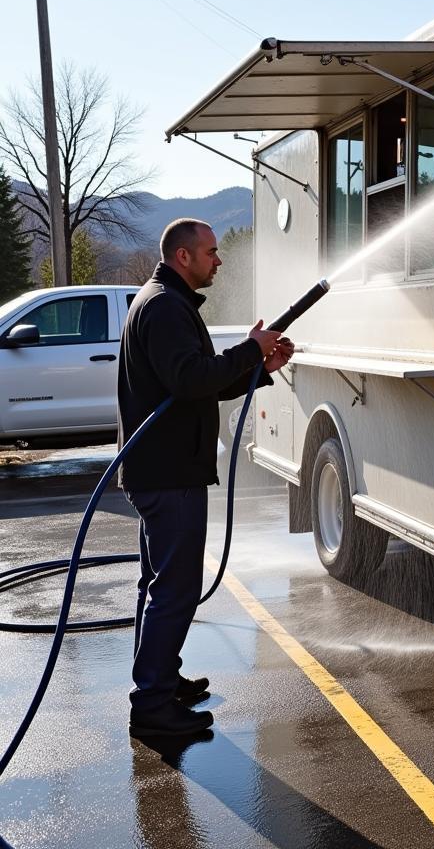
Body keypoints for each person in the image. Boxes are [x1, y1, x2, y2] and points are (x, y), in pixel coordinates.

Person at [118, 217, 294, 739]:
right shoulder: (165, 307)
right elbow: (191, 379)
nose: (219, 260)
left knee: (160, 586)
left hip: (164, 468)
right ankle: (152, 706)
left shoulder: (165, 303)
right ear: (183, 257)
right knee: (174, 590)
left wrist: (259, 368)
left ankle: (160, 681)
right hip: (168, 474)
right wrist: (250, 350)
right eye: (212, 252)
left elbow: (197, 384)